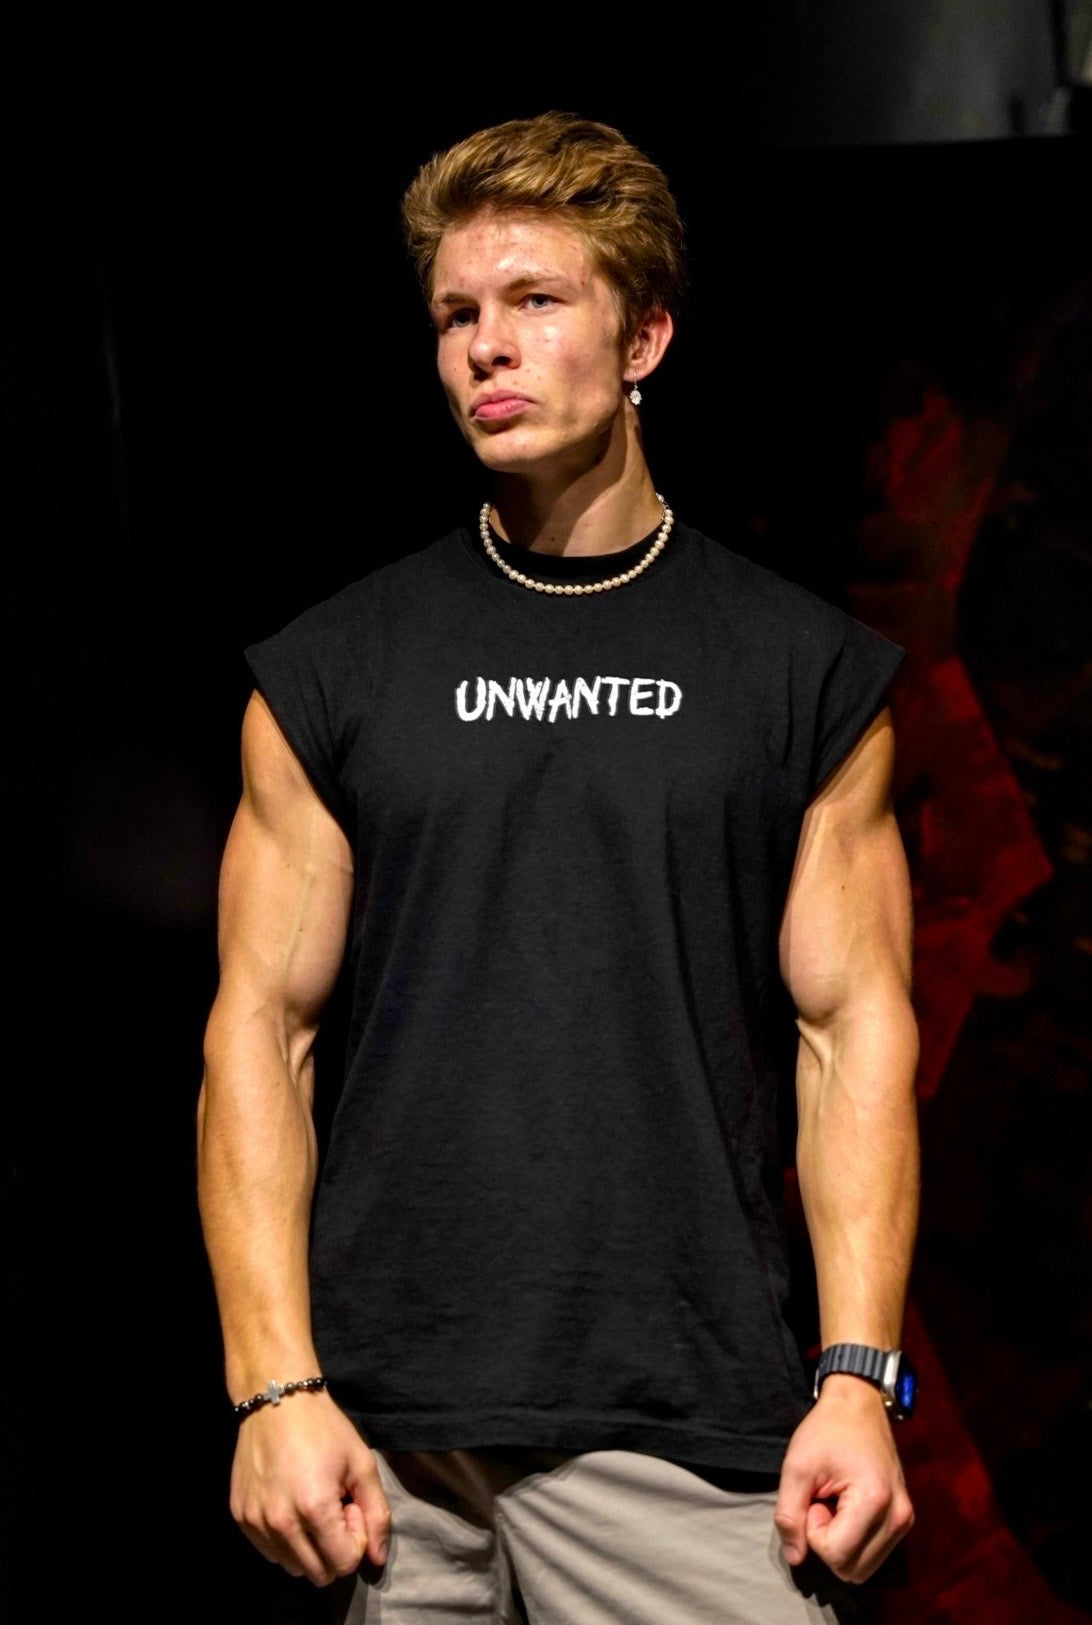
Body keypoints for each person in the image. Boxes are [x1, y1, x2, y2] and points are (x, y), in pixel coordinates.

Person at [197, 112, 920, 1624]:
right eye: (456, 312)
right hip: (382, 1441)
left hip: (685, 1418)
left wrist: (858, 1377)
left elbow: (852, 1031)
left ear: (643, 336)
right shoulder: (334, 669)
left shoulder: (797, 671)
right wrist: (271, 1384)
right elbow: (260, 1031)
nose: (486, 346)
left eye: (536, 300)